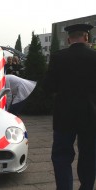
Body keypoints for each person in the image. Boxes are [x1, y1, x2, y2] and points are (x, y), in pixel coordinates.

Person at [43, 23, 96, 190]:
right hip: (91, 114)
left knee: (61, 156)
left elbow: (48, 87)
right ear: (87, 37)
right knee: (89, 155)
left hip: (64, 115)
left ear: (68, 39)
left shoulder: (58, 57)